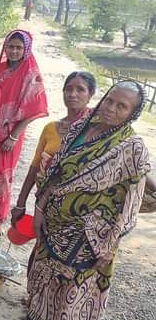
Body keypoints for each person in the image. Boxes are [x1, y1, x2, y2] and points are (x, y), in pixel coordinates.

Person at [27, 81, 151, 320]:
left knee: (74, 285)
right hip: (55, 220)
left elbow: (132, 197)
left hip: (94, 232)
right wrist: (39, 208)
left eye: (122, 106)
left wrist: (111, 241)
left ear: (132, 113)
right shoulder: (80, 128)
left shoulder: (132, 148)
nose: (112, 109)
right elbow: (55, 172)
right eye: (110, 101)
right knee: (46, 275)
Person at [0, 29, 48, 237]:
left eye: (18, 47)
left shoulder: (30, 73)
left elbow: (33, 109)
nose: (14, 51)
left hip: (11, 134)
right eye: (10, 47)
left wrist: (14, 135)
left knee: (3, 175)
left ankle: (0, 219)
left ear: (26, 49)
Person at [11, 71, 96, 225]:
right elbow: (35, 167)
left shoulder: (95, 130)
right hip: (45, 205)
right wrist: (20, 203)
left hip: (77, 210)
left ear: (90, 95)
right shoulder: (51, 128)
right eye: (68, 89)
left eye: (80, 90)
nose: (72, 94)